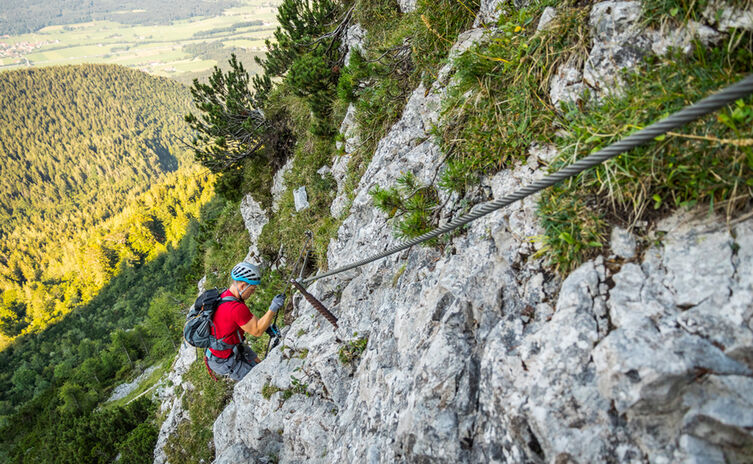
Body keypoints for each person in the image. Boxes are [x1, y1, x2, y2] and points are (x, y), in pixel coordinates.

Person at [205, 261, 285, 381]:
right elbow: (257, 331)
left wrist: (266, 325)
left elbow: (245, 320)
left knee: (260, 365)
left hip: (228, 349)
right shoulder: (235, 307)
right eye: (252, 289)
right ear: (243, 286)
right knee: (261, 381)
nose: (252, 293)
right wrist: (273, 308)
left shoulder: (226, 296)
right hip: (224, 359)